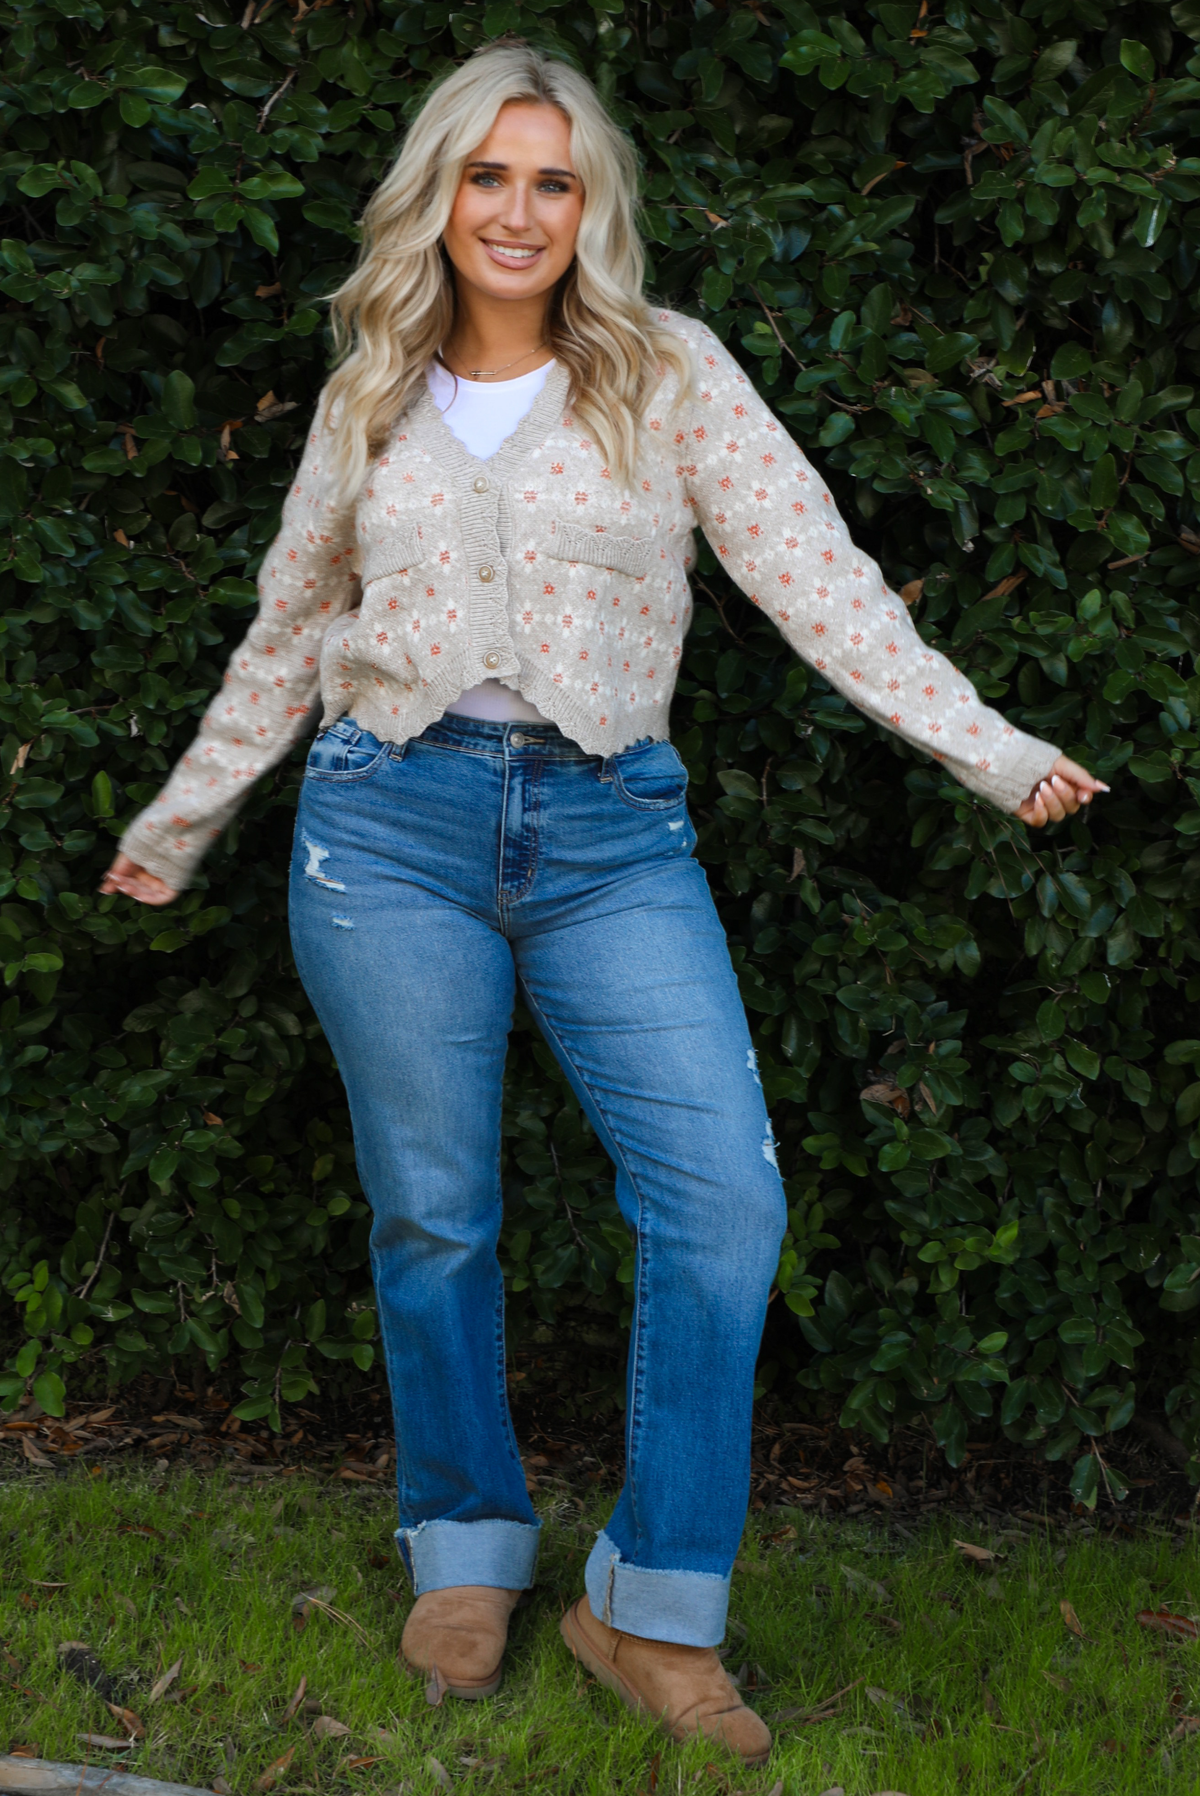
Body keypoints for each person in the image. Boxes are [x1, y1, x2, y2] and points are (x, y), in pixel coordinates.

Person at [103, 40, 1106, 1765]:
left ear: (594, 207)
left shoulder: (670, 375)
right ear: (439, 196)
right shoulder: (368, 397)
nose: (516, 209)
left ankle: (650, 1607)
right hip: (384, 827)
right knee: (435, 1212)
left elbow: (822, 581)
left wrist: (990, 746)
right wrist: (181, 822)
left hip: (611, 838)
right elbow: (286, 636)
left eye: (550, 180)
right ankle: (468, 1545)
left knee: (722, 1203)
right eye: (485, 177)